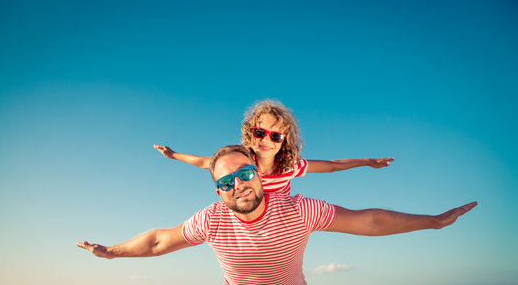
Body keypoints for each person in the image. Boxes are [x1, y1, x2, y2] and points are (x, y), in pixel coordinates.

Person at [77, 145, 476, 285]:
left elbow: (368, 221)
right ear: (218, 191)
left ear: (258, 173)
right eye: (225, 182)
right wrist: (111, 251)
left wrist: (435, 222)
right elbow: (159, 240)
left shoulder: (299, 209)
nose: (238, 185)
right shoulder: (212, 219)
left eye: (244, 173)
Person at [154, 100, 394, 194]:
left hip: (278, 223)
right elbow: (205, 162)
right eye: (260, 133)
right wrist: (173, 155)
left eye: (275, 136)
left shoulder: (290, 166)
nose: (266, 141)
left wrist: (366, 162)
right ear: (250, 133)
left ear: (285, 139)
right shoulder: (242, 162)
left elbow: (331, 166)